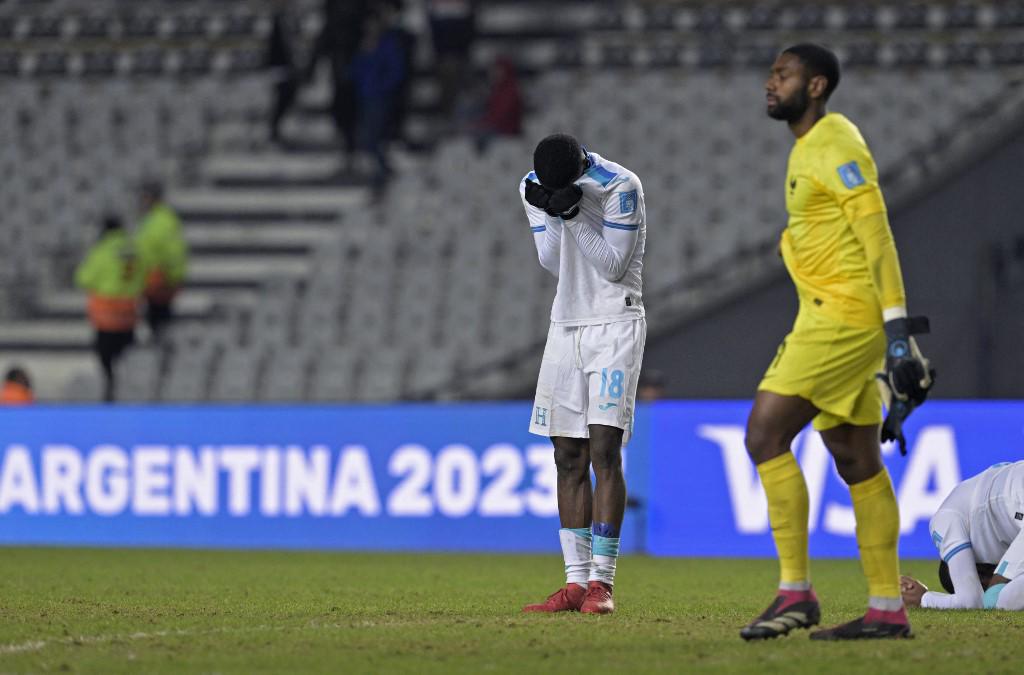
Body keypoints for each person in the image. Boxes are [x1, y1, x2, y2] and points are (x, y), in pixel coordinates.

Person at [739, 44, 935, 641]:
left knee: (765, 434)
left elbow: (877, 234)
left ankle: (796, 592)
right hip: (832, 314)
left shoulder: (837, 143)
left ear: (817, 85)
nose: (771, 83)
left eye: (784, 75)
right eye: (772, 73)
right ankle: (886, 609)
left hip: (841, 319)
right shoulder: (807, 147)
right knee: (855, 457)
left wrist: (899, 331)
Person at [519, 134, 647, 615]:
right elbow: (551, 261)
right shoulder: (532, 184)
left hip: (615, 322)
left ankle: (602, 583)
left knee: (604, 450)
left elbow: (613, 266)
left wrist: (574, 213)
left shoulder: (620, 185)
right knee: (566, 455)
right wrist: (553, 212)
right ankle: (575, 583)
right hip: (565, 325)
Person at [900, 461, 1024, 611]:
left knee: (994, 599)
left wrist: (923, 599)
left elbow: (971, 600)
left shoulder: (945, 518)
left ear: (980, 577)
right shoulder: (984, 499)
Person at [75, 216, 147, 402]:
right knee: (127, 357)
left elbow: (84, 279)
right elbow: (144, 276)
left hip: (106, 314)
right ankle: (126, 391)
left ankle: (111, 390)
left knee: (106, 357)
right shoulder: (135, 250)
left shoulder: (102, 251)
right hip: (129, 313)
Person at [350, 8, 408, 196]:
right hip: (365, 97)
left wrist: (381, 86)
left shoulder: (388, 44)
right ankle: (381, 173)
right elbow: (356, 70)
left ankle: (382, 175)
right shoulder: (364, 44)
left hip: (380, 98)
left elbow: (396, 71)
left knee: (372, 138)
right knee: (368, 138)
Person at [307, 0, 371, 168]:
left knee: (351, 108)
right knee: (343, 108)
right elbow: (324, 40)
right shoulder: (335, 21)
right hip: (342, 70)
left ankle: (353, 145)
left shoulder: (359, 19)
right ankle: (350, 145)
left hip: (356, 70)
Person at [135, 181, 187, 341]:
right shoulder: (152, 220)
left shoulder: (162, 221)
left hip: (159, 277)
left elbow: (174, 251)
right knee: (155, 319)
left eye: (145, 197)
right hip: (152, 277)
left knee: (159, 319)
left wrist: (173, 276)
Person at [472, 56, 522, 153]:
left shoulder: (511, 90)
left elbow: (502, 116)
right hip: (496, 126)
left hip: (506, 129)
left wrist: (483, 124)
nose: (495, 73)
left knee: (479, 135)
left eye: (499, 71)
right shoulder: (497, 89)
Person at [267, 0, 300, 145]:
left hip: (286, 67)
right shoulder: (278, 23)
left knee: (286, 96)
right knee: (282, 97)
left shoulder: (288, 24)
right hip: (279, 67)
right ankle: (274, 130)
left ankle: (276, 129)